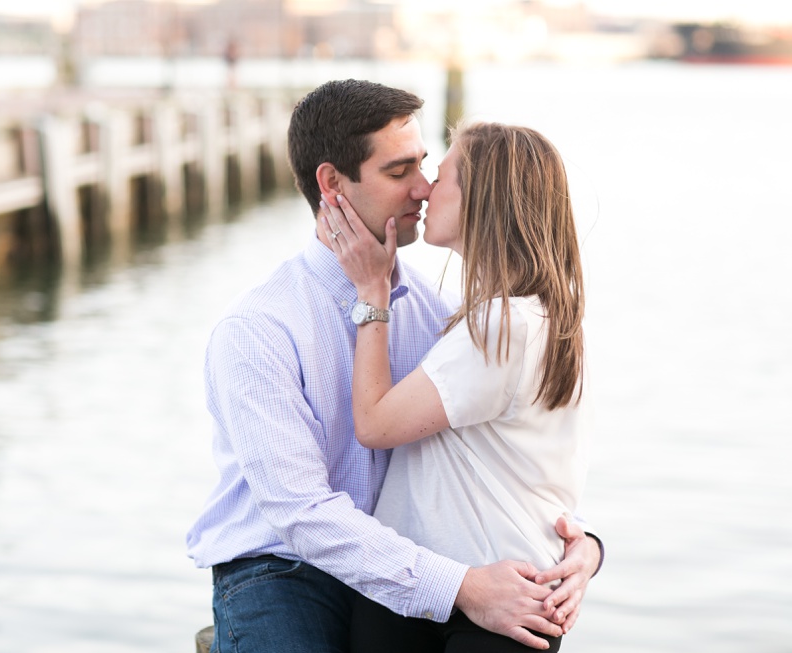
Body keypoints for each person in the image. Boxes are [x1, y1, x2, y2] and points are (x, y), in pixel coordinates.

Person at [185, 80, 603, 653]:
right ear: (332, 184)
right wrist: (462, 587)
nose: (424, 187)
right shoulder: (259, 330)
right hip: (284, 568)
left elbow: (511, 457)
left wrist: (585, 546)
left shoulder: (446, 322)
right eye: (399, 171)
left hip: (405, 573)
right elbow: (299, 513)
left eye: (425, 166)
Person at [320, 121, 589, 652]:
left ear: (480, 202)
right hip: (468, 593)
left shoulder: (501, 326)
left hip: (486, 604)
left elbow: (374, 425)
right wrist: (592, 547)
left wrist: (371, 291)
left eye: (439, 177)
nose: (422, 189)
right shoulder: (541, 319)